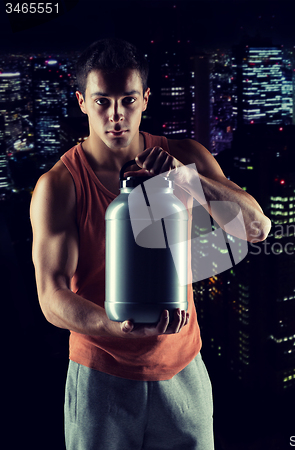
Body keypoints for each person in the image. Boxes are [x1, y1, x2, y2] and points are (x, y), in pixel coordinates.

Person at [30, 38, 271, 450]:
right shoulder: (60, 185)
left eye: (127, 100)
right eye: (102, 101)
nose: (116, 115)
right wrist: (112, 326)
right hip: (100, 376)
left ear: (145, 98)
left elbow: (256, 227)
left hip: (183, 367)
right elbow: (51, 296)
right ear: (82, 102)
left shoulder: (183, 156)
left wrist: (186, 179)